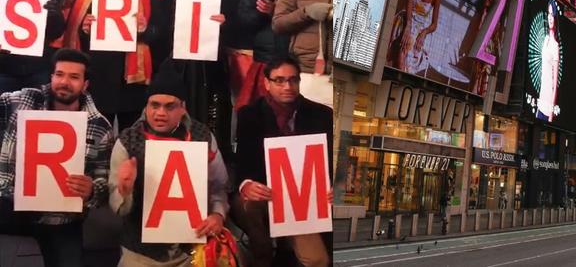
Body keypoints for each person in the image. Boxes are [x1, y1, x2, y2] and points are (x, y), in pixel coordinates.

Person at [0, 48, 113, 267]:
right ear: (51, 77)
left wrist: (92, 189)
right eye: (59, 74)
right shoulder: (22, 100)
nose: (64, 82)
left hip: (61, 216)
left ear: (85, 84)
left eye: (74, 77)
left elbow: (104, 181)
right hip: (8, 205)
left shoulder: (99, 125)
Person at [108, 67, 230, 266]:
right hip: (141, 252)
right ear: (146, 106)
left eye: (169, 106)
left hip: (191, 249)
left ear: (183, 108)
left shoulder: (203, 136)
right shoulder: (127, 141)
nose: (160, 113)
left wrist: (218, 214)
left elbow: (219, 186)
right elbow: (118, 209)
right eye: (154, 105)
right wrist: (124, 189)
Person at [233, 55, 333, 267]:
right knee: (249, 205)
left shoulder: (322, 115)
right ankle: (263, 256)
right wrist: (246, 184)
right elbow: (242, 163)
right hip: (266, 195)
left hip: (302, 202)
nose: (287, 86)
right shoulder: (249, 115)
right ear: (267, 83)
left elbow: (330, 162)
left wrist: (335, 187)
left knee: (318, 260)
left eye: (293, 80)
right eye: (279, 80)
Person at [63, 0, 160, 131]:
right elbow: (75, 36)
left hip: (132, 80)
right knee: (98, 128)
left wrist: (144, 29)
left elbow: (160, 30)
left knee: (130, 130)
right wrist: (85, 29)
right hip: (100, 73)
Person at [157, 0, 232, 156]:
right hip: (177, 71)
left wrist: (224, 25)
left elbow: (233, 35)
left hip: (208, 71)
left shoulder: (217, 1)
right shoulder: (166, 0)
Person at [237, 0, 303, 109]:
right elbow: (243, 18)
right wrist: (261, 14)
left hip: (297, 60)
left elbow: (308, 16)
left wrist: (277, 13)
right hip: (265, 60)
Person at [538, 0, 561, 122]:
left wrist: (551, 114)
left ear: (556, 17)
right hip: (539, 102)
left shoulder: (555, 46)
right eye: (548, 14)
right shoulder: (545, 39)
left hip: (547, 108)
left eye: (552, 14)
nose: (550, 17)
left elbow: (555, 83)